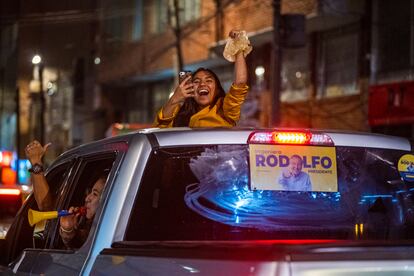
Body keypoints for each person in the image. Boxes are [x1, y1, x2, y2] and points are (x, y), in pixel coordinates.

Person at [154, 30, 249, 128]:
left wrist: (238, 46)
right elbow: (160, 128)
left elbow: (240, 83)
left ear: (217, 89)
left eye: (208, 80)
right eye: (196, 81)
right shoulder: (179, 113)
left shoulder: (224, 109)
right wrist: (175, 98)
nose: (202, 84)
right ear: (190, 90)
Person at [25, 140, 108, 249]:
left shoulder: (105, 230)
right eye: (90, 192)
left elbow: (46, 206)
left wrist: (36, 162)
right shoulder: (83, 222)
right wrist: (68, 230)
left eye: (95, 194)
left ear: (108, 199)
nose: (87, 198)